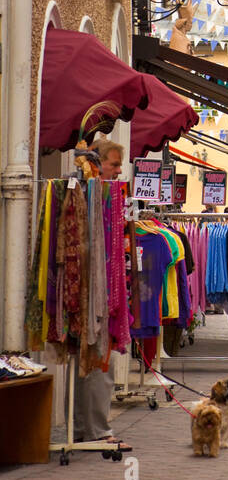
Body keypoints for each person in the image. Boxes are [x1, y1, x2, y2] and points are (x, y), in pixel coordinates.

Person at [73, 137, 128, 448]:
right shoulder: (95, 194)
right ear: (97, 163)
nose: (119, 171)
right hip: (94, 292)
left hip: (94, 289)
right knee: (97, 360)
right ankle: (97, 430)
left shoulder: (103, 193)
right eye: (114, 164)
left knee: (92, 361)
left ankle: (86, 427)